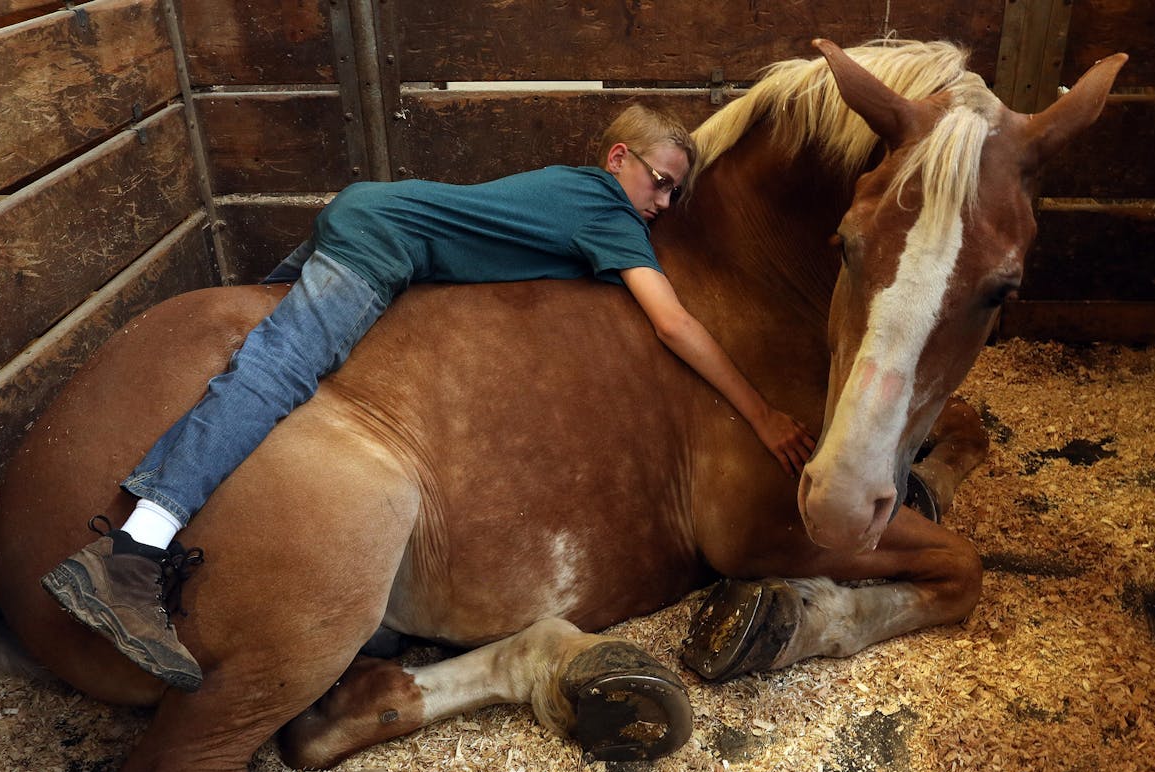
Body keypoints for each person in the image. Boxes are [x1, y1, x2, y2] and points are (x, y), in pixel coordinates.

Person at [41, 104, 817, 692]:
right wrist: (763, 413)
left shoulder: (580, 193)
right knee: (277, 373)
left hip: (374, 214)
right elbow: (674, 322)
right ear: (620, 159)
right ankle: (136, 549)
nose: (663, 205)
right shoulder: (608, 210)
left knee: (266, 355)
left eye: (677, 195)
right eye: (660, 182)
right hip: (384, 242)